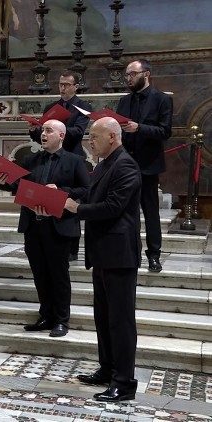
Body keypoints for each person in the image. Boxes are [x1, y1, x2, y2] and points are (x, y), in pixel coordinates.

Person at [65, 117, 142, 402]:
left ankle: (124, 382)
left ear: (112, 136)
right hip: (103, 252)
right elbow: (89, 192)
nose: (89, 142)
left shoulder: (126, 165)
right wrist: (63, 194)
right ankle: (108, 368)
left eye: (94, 137)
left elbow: (113, 206)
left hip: (120, 254)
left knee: (121, 321)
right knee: (104, 316)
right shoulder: (105, 164)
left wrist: (77, 209)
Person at [0, 120, 89, 337]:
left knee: (58, 275)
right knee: (40, 274)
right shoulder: (31, 160)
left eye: (49, 131)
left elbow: (86, 190)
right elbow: (18, 186)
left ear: (62, 136)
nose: (43, 134)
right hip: (33, 225)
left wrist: (60, 190)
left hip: (59, 226)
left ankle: (62, 320)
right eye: (42, 131)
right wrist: (1, 180)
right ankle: (46, 315)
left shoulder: (75, 161)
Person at [29, 70, 92, 262]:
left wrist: (59, 129)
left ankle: (72, 247)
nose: (63, 88)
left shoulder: (83, 107)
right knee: (51, 196)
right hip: (52, 157)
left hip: (72, 157)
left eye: (66, 85)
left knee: (71, 201)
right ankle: (50, 237)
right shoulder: (52, 106)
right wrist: (35, 130)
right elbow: (42, 137)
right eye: (60, 84)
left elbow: (79, 132)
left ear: (75, 86)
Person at [116, 59, 173, 273]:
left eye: (132, 74)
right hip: (125, 166)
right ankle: (130, 253)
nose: (128, 78)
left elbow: (165, 131)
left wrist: (139, 128)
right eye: (127, 75)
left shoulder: (161, 99)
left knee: (150, 213)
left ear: (146, 74)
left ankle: (154, 255)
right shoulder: (124, 101)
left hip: (148, 165)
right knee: (125, 212)